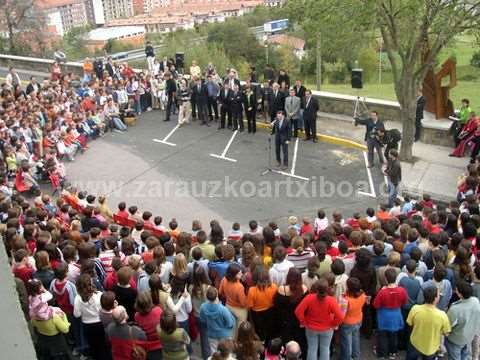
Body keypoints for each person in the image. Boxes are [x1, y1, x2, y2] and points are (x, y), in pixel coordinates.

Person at [295, 278, 344, 360]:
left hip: (311, 328)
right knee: (325, 349)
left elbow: (298, 311)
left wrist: (304, 322)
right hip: (327, 329)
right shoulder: (331, 301)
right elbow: (340, 317)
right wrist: (333, 324)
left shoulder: (309, 298)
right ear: (327, 289)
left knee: (312, 349)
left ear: (316, 289)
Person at [406, 286, 451, 360]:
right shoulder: (442, 315)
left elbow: (410, 323)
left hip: (415, 343)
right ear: (436, 298)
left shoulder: (415, 309)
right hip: (431, 347)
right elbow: (446, 333)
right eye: (438, 294)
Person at [373, 268, 408, 359]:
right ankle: (393, 352)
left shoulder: (382, 292)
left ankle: (382, 354)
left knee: (383, 336)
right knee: (394, 335)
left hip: (384, 316)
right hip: (396, 315)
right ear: (395, 278)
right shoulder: (402, 290)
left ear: (386, 278)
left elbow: (376, 305)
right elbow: (405, 302)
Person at [445, 280, 480, 360]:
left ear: (460, 294)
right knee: (464, 356)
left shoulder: (455, 309)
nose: (455, 291)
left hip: (455, 340)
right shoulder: (475, 301)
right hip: (469, 336)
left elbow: (447, 327)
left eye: (457, 290)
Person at [199, 286, 235, 353]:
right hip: (224, 335)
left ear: (207, 297)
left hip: (211, 334)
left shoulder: (203, 307)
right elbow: (230, 323)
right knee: (225, 353)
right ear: (217, 295)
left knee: (214, 352)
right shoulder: (223, 309)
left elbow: (202, 320)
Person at [340, 277, 367, 360]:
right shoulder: (363, 294)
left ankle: (347, 357)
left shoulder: (346, 300)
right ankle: (356, 356)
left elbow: (342, 313)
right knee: (355, 339)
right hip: (358, 319)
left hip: (347, 322)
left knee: (347, 342)